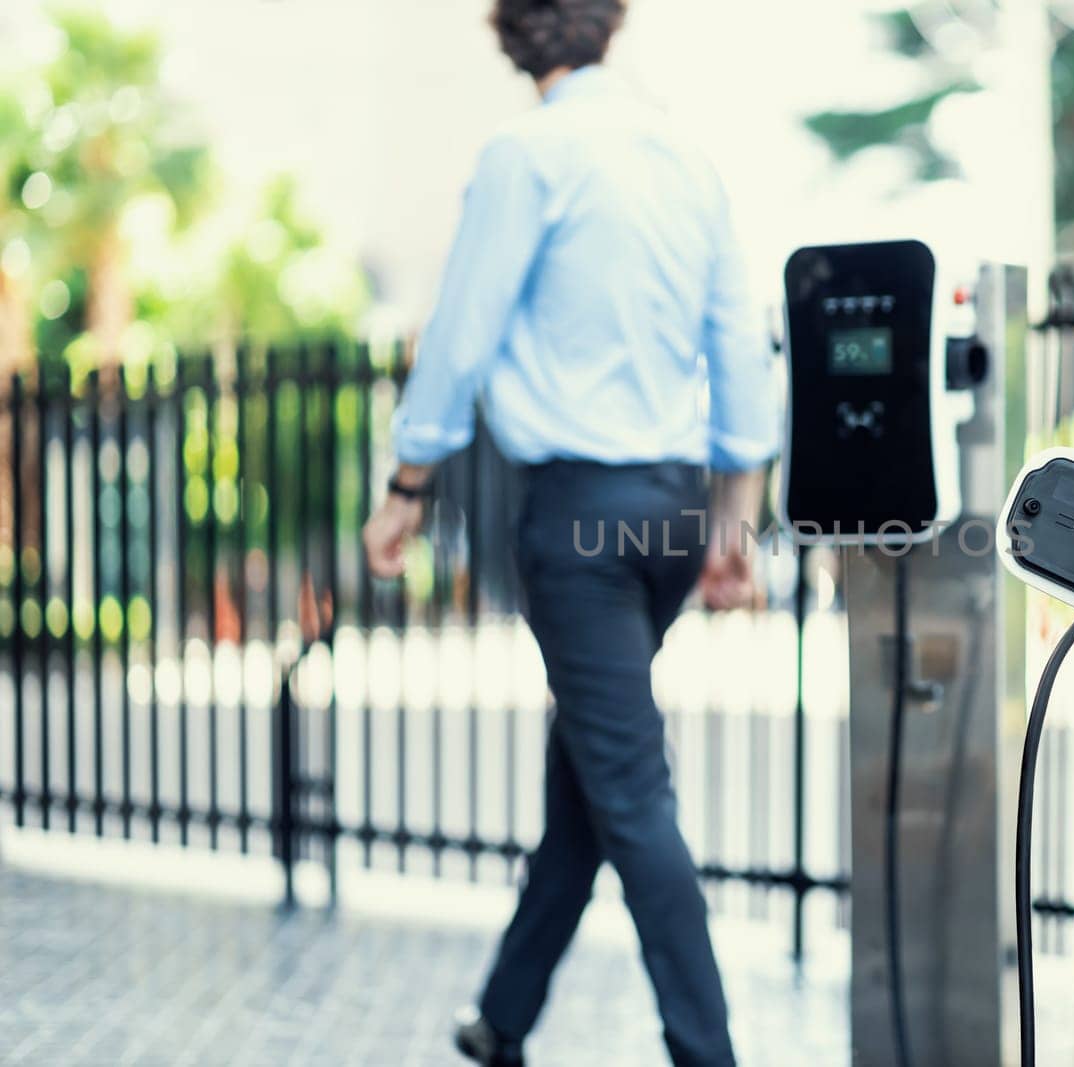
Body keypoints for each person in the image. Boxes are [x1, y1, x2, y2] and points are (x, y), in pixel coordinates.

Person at [360, 1, 777, 1064]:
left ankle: (707, 1050)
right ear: (608, 25)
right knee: (590, 779)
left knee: (628, 791)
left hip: (580, 517)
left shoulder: (525, 154)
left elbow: (461, 329)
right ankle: (502, 1017)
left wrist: (409, 478)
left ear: (512, 36)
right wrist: (736, 519)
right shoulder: (685, 156)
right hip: (679, 509)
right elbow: (739, 341)